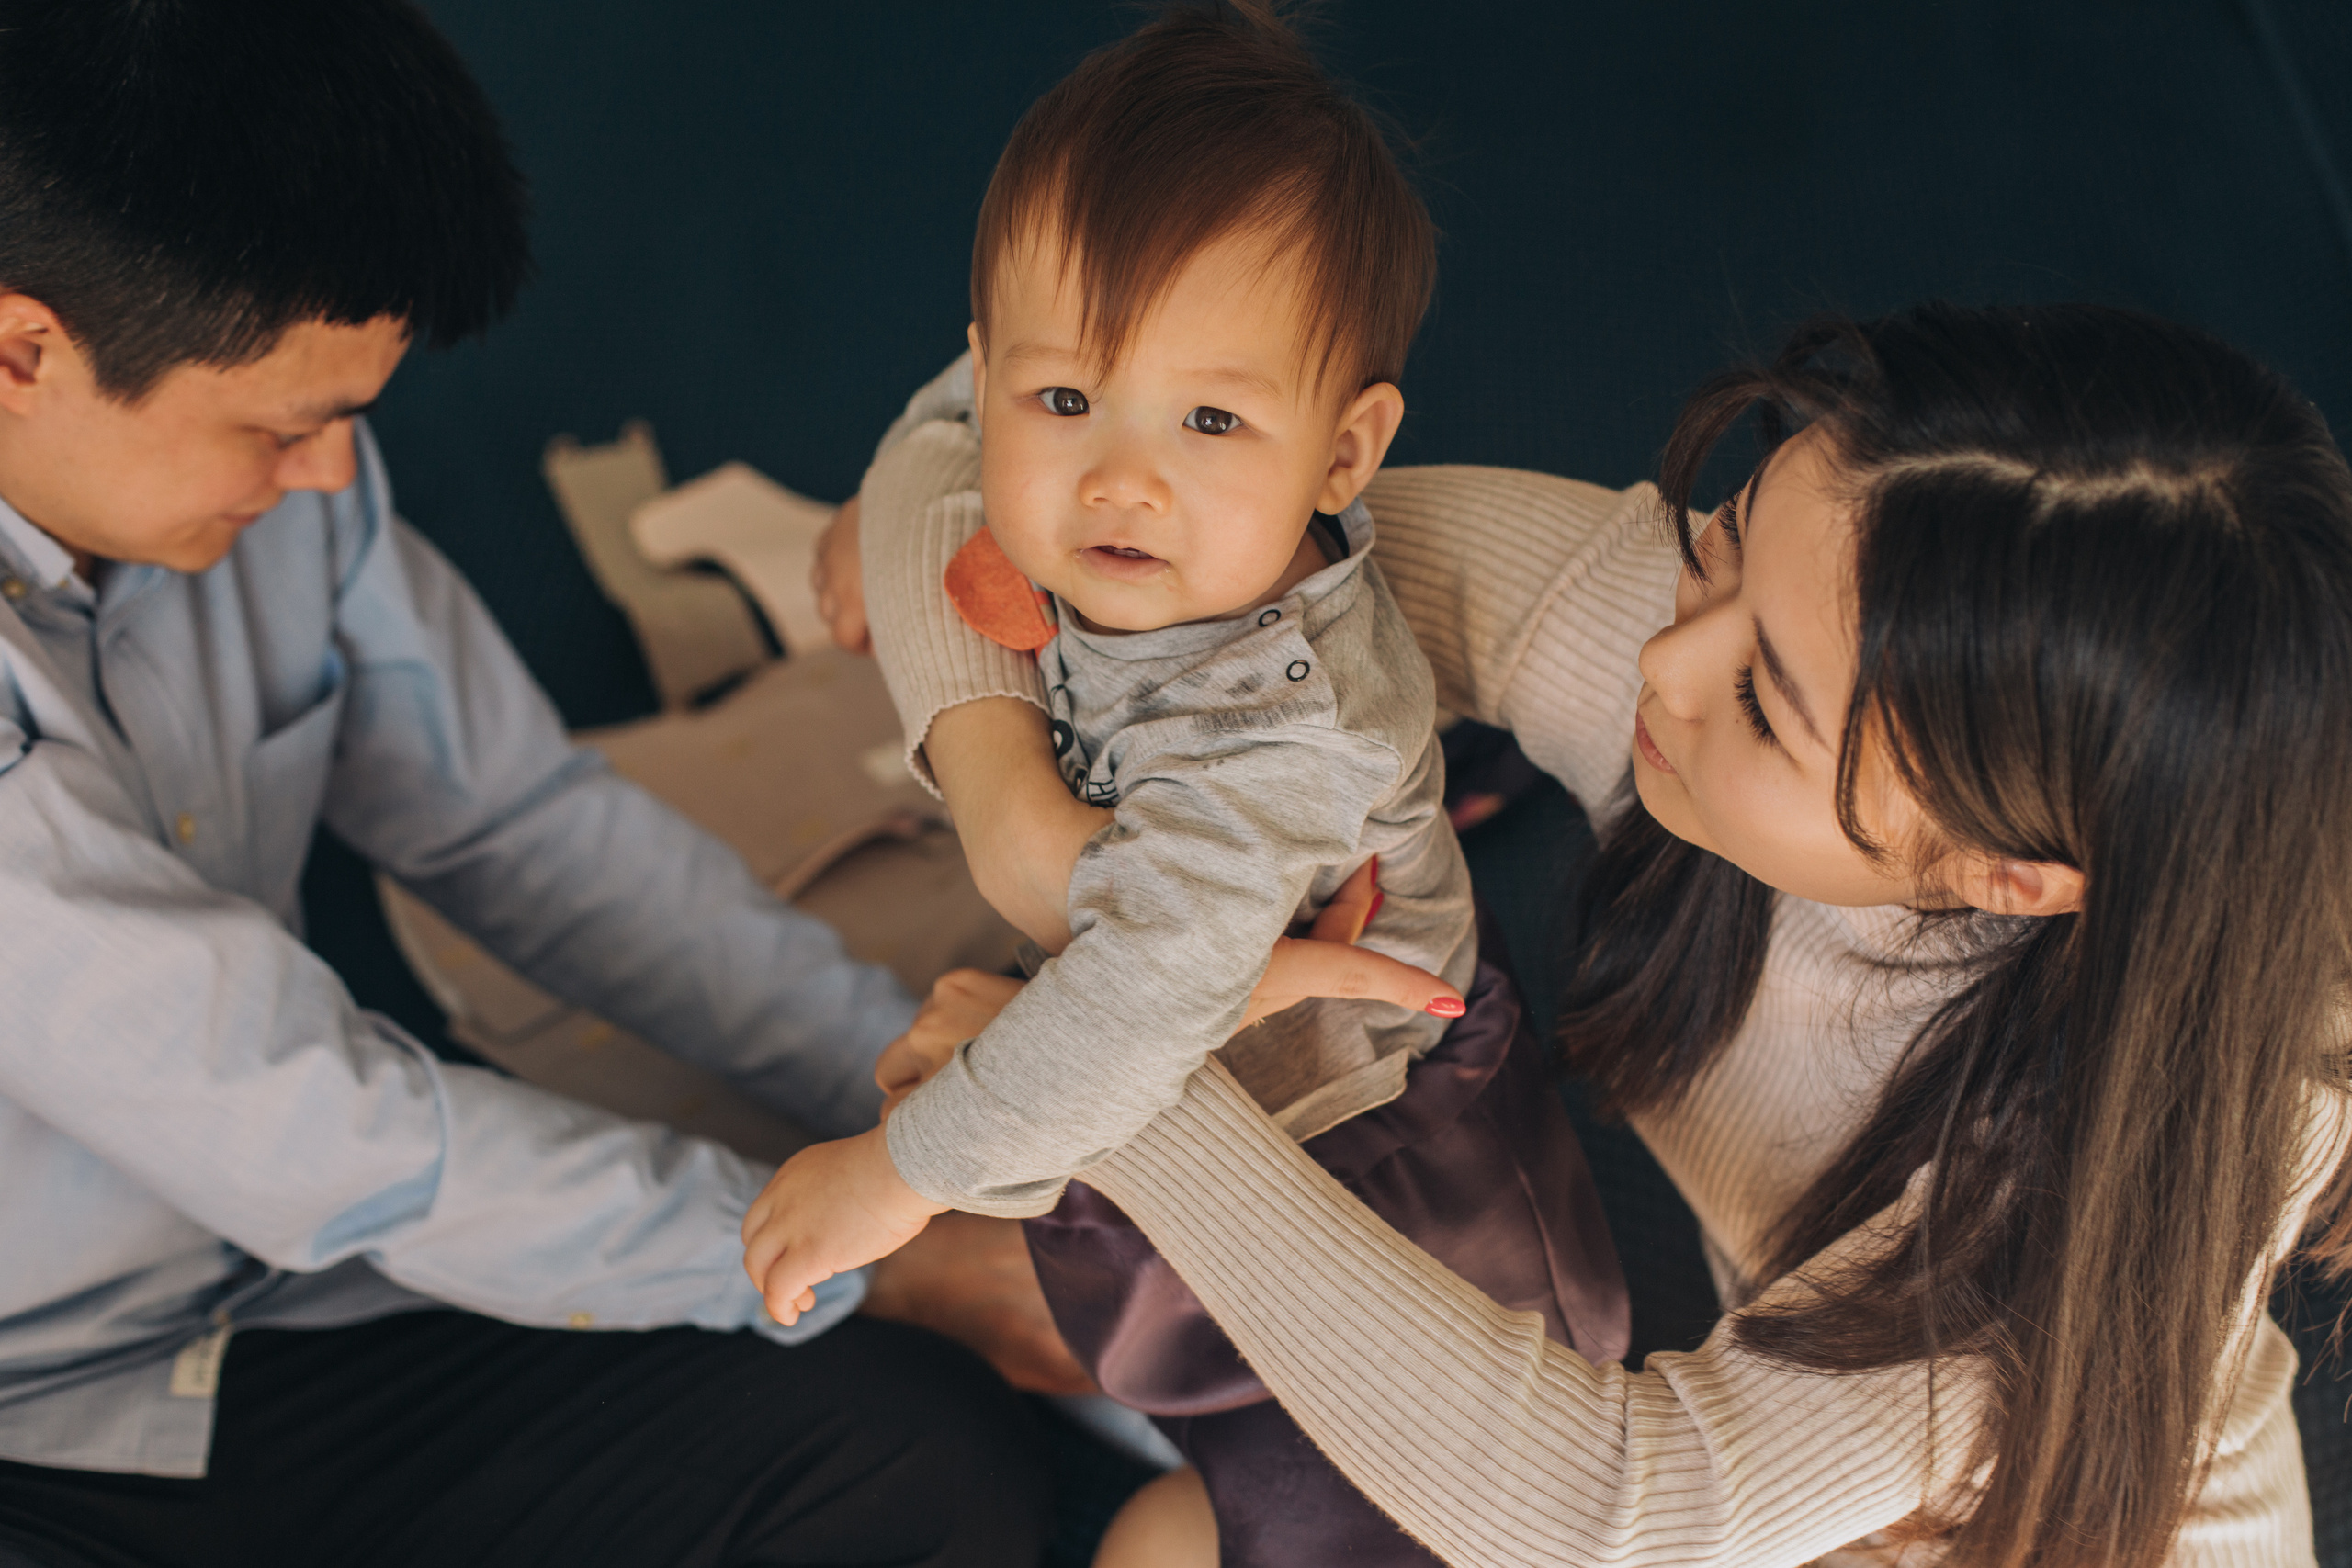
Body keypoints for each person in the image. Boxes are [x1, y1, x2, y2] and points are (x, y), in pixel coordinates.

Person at [842, 301, 2352, 1564]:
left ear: (2006, 873)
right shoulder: (1699, 640)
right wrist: (1011, 802)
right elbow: (1156, 543)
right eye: (1726, 541)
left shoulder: (2120, 1175)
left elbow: (1609, 1509)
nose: (1669, 660)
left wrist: (1103, 1069)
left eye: (1766, 701)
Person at [0, 4, 1078, 1563]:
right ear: (22, 349)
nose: (325, 479)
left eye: (345, 426)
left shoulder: (293, 482)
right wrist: (845, 1252)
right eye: (281, 428)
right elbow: (313, 1129)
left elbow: (523, 828)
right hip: (34, 1403)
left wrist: (934, 1125)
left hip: (282, 1312)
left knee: (914, 1458)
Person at [743, 10, 1624, 1563]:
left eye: (1213, 421)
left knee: (1345, 1515)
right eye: (1065, 401)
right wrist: (879, 498)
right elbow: (949, 412)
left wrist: (897, 1178)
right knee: (1200, 1463)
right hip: (1231, 1141)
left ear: (1345, 454)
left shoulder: (1282, 738)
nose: (1117, 480)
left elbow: (1136, 1001)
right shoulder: (1092, 485)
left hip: (1393, 1218)